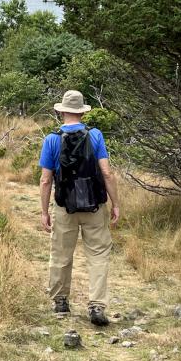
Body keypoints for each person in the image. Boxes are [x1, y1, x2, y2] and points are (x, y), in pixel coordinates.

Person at [39, 90, 120, 326]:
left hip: (65, 207)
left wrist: (44, 211)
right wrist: (115, 203)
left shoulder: (52, 140)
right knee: (98, 255)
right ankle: (96, 306)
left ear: (62, 112)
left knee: (62, 254)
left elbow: (45, 179)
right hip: (95, 206)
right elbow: (106, 172)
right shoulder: (95, 136)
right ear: (82, 112)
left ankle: (61, 301)